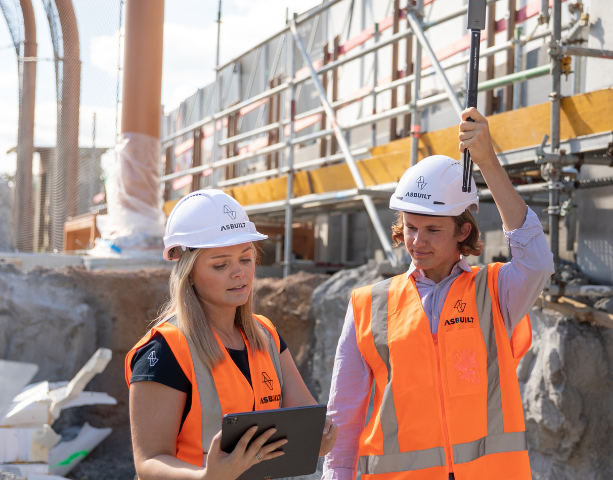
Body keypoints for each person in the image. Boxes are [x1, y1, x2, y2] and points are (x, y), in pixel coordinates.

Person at [321, 107, 554, 480]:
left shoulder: (494, 293)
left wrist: (489, 163)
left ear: (463, 231)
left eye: (432, 229)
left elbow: (537, 261)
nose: (418, 241)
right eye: (411, 227)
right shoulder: (368, 305)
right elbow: (343, 416)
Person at [125, 190, 338, 480]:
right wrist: (205, 477)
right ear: (188, 271)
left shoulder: (266, 335)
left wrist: (321, 435)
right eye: (220, 264)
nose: (239, 273)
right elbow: (148, 461)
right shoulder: (164, 350)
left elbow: (305, 417)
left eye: (246, 259)